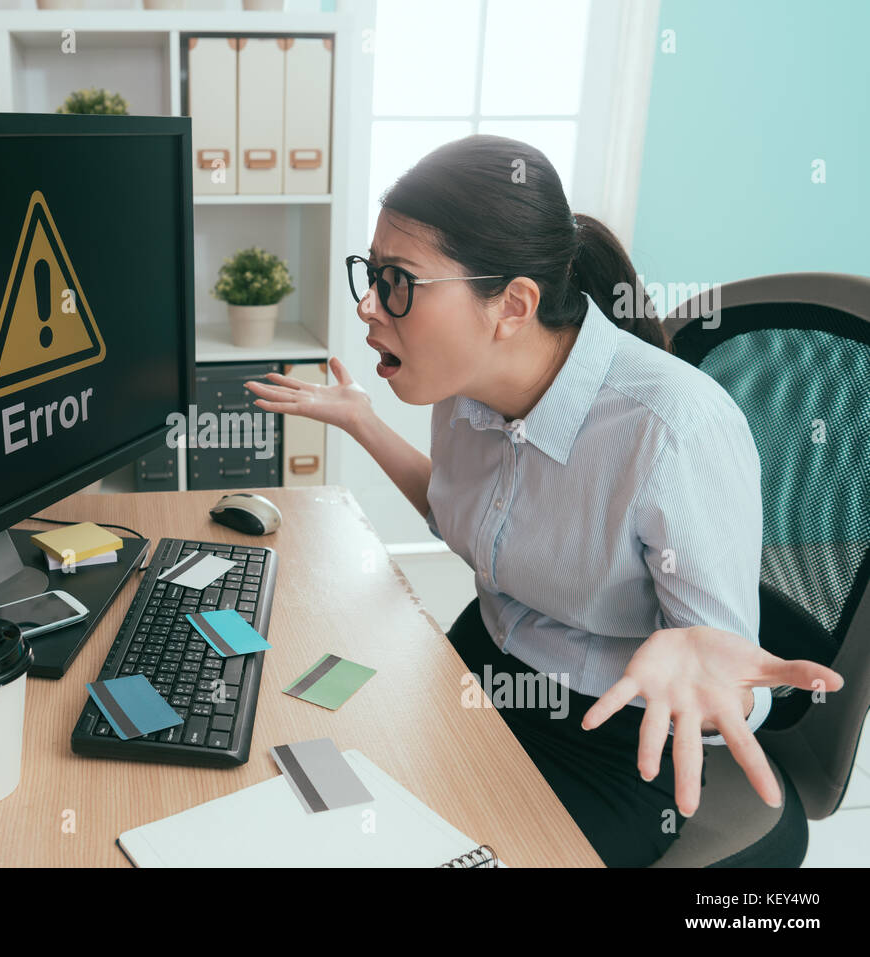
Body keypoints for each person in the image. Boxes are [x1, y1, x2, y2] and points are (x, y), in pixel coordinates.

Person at [243, 135, 842, 866]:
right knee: (310, 800)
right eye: (371, 273)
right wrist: (362, 418)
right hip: (478, 661)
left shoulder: (673, 430)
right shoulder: (464, 390)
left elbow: (727, 681)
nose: (369, 305)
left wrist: (715, 677)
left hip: (607, 741)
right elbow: (464, 520)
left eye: (398, 280)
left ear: (513, 305)